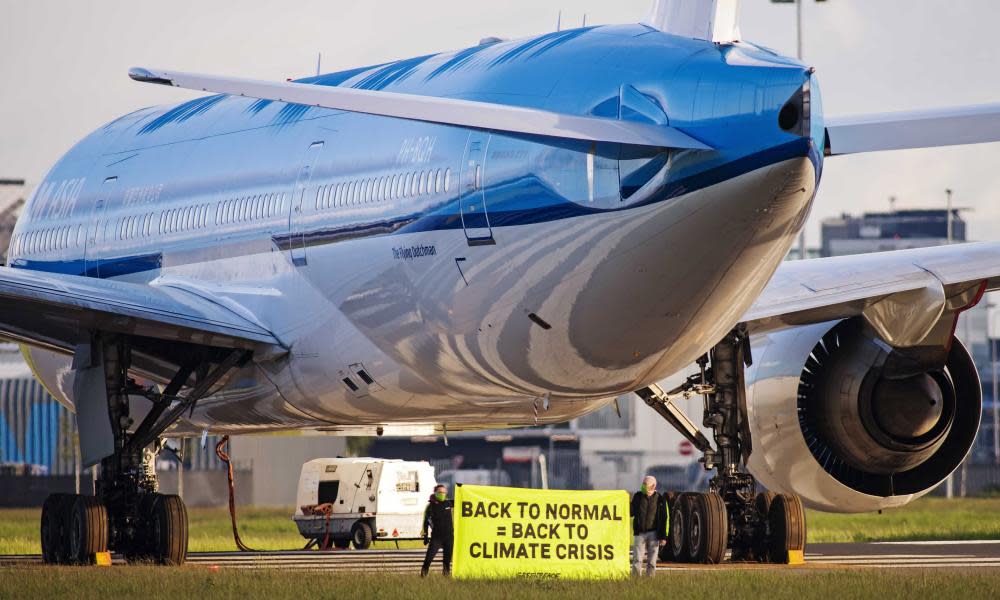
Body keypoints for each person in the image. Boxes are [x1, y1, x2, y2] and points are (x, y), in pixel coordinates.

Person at [630, 475, 667, 577]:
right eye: (643, 484)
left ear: (653, 486)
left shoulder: (660, 499)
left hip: (653, 534)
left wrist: (663, 537)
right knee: (637, 559)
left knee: (652, 561)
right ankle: (635, 579)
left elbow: (664, 518)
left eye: (645, 484)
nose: (643, 486)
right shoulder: (638, 496)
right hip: (639, 533)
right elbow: (631, 512)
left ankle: (650, 580)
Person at [420, 484, 454, 577]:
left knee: (447, 561)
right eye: (440, 492)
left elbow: (462, 499)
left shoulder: (449, 503)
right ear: (435, 493)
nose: (442, 494)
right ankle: (423, 577)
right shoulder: (430, 506)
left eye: (444, 492)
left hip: (449, 538)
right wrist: (425, 535)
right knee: (428, 559)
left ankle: (446, 579)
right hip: (436, 538)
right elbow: (425, 521)